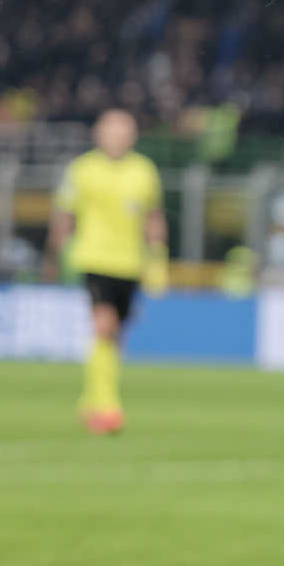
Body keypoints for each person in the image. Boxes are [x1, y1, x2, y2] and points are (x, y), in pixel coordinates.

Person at [47, 109, 167, 435]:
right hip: (94, 259)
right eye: (112, 132)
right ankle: (109, 406)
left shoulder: (144, 171)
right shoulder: (83, 169)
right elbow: (65, 213)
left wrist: (157, 255)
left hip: (130, 263)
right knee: (104, 326)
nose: (117, 138)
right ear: (99, 135)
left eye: (123, 132)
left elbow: (153, 216)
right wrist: (58, 253)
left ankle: (90, 398)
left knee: (116, 336)